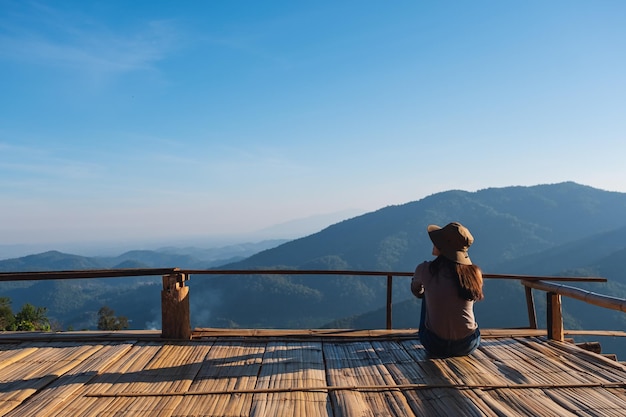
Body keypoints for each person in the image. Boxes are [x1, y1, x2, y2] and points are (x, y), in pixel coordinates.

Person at [411, 222, 484, 358]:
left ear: (442, 247)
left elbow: (416, 291)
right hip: (468, 344)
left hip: (434, 344)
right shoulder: (475, 273)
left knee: (427, 295)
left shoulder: (425, 269)